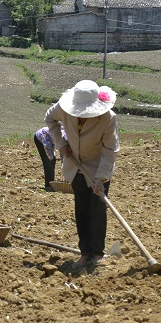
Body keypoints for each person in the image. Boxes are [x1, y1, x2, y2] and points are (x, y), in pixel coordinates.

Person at [44, 80, 119, 267]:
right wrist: (61, 144)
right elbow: (49, 118)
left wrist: (100, 178)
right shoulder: (64, 108)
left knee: (97, 210)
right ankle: (85, 253)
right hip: (75, 165)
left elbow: (110, 149)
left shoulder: (108, 118)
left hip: (98, 167)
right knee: (82, 209)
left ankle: (98, 254)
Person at [34, 126, 65, 192]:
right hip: (41, 137)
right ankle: (48, 185)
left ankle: (50, 183)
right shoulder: (66, 138)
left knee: (52, 160)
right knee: (49, 161)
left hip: (50, 139)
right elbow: (64, 155)